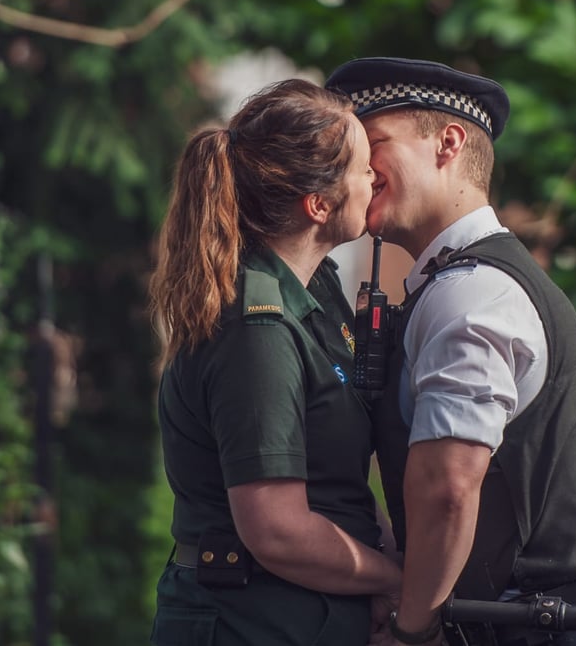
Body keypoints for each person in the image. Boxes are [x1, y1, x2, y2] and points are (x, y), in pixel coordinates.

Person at [325, 58, 576, 646]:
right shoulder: (464, 282)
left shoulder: (470, 291)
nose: (356, 168)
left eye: (374, 144)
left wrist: (414, 627)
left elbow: (448, 487)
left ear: (448, 143)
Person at [148, 79, 401, 645]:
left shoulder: (314, 293)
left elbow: (339, 491)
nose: (374, 177)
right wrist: (401, 580)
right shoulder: (256, 326)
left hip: (298, 617)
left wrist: (381, 564)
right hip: (252, 621)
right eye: (362, 167)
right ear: (318, 205)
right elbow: (277, 530)